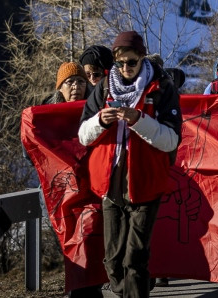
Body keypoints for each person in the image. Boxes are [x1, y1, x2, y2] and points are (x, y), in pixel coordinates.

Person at [77, 31, 180, 298]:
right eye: (120, 63)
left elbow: (171, 140)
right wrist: (101, 120)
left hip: (146, 184)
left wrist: (138, 120)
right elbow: (82, 136)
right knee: (113, 261)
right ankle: (131, 292)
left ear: (142, 58)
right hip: (110, 186)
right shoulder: (104, 87)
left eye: (131, 62)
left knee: (135, 259)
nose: (125, 69)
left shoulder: (161, 87)